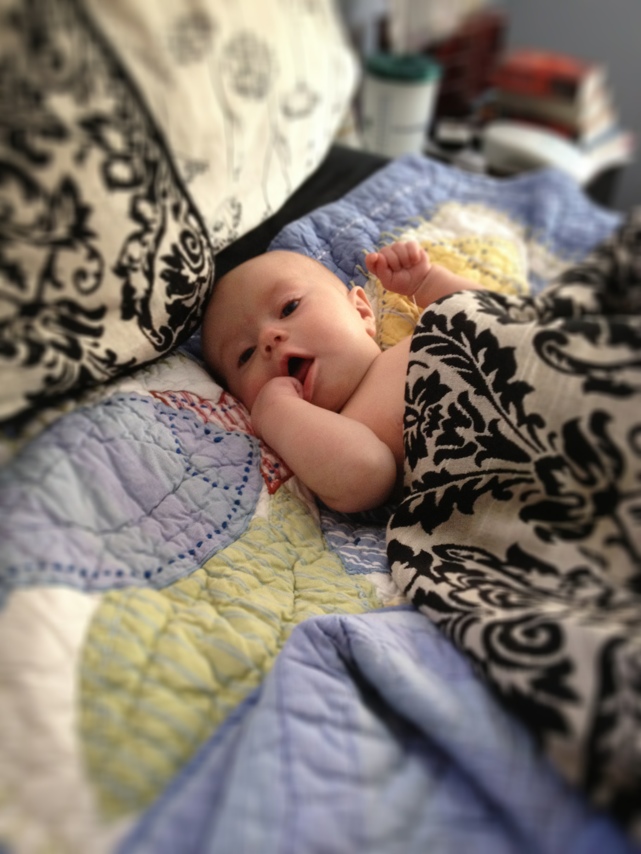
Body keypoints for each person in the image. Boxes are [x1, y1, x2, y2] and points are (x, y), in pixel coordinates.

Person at [202, 241, 482, 513]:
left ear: (361, 311)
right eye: (245, 354)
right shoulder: (342, 438)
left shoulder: (424, 333)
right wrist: (275, 412)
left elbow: (488, 315)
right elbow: (366, 472)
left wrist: (428, 282)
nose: (267, 338)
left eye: (289, 308)